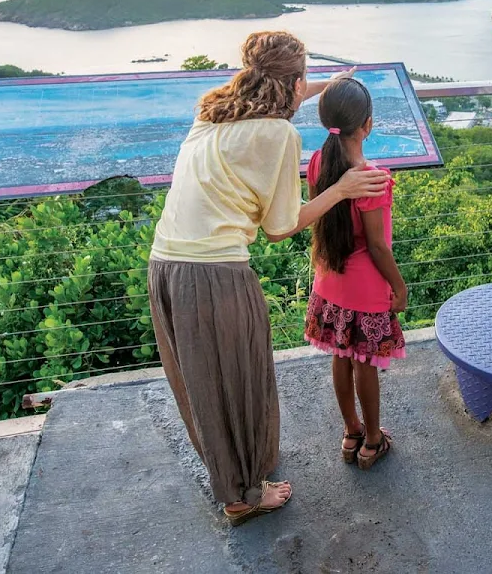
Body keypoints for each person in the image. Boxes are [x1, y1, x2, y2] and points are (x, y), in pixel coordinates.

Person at [147, 32, 389, 526]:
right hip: (215, 274)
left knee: (202, 385)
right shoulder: (280, 135)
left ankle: (235, 480)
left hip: (165, 265)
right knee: (241, 380)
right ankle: (242, 496)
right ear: (295, 82)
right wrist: (342, 189)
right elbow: (279, 228)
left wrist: (323, 87)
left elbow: (278, 89)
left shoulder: (210, 113)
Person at [303, 76, 407, 470]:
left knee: (339, 356)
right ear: (367, 125)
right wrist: (398, 286)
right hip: (364, 289)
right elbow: (378, 246)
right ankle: (373, 440)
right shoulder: (371, 177)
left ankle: (351, 433)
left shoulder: (317, 160)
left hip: (330, 280)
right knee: (365, 363)